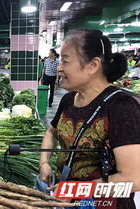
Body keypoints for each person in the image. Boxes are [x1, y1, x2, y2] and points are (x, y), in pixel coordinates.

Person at [39, 29, 140, 208]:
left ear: (93, 65)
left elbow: (133, 180)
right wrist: (44, 162)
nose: (60, 67)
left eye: (65, 60)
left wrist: (77, 190)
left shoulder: (121, 106)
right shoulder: (68, 99)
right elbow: (51, 132)